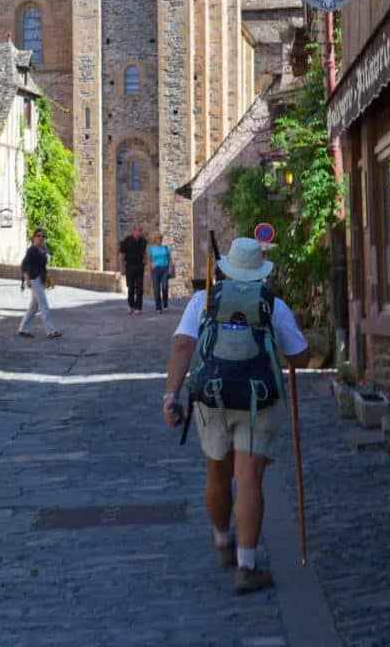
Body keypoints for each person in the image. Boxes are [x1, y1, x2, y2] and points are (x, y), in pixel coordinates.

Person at [162, 236, 310, 594]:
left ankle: (222, 539)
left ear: (227, 269)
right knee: (249, 477)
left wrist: (171, 395)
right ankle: (246, 566)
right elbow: (301, 357)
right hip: (259, 400)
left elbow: (183, 345)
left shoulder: (204, 300)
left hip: (212, 398)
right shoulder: (273, 305)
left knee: (217, 470)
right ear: (261, 272)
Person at [18, 228, 62, 339]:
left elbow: (42, 266)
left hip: (39, 279)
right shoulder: (32, 250)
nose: (41, 238)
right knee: (44, 305)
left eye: (43, 236)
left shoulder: (40, 250)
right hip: (34, 279)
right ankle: (51, 331)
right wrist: (27, 279)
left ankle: (23, 328)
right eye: (39, 236)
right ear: (34, 237)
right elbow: (24, 265)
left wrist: (48, 278)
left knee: (34, 307)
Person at [118, 224, 147, 314]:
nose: (140, 232)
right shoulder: (126, 241)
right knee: (130, 287)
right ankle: (131, 306)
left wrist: (146, 261)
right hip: (129, 266)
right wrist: (121, 268)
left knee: (139, 287)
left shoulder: (143, 241)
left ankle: (138, 307)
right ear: (133, 231)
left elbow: (144, 253)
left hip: (139, 266)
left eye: (141, 230)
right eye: (139, 230)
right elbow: (121, 255)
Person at [147, 232, 172, 312]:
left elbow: (170, 259)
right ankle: (158, 307)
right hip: (155, 270)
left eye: (161, 239)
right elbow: (149, 259)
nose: (160, 240)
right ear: (155, 240)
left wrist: (170, 268)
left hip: (164, 269)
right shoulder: (152, 249)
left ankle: (165, 303)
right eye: (158, 239)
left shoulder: (165, 248)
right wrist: (150, 265)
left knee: (165, 287)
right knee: (156, 288)